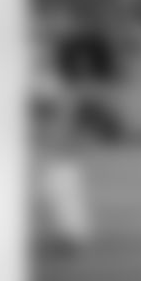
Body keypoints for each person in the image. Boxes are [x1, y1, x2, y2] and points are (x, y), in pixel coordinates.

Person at [31, 58, 93, 253]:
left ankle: (73, 235)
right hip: (58, 150)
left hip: (61, 151)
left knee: (61, 190)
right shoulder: (62, 92)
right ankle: (71, 234)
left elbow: (52, 114)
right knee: (58, 190)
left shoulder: (61, 91)